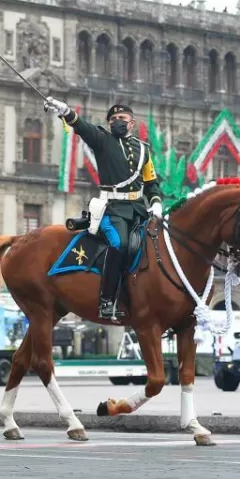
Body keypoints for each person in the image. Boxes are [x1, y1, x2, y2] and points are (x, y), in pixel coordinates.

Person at [44, 99, 163, 322]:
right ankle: (107, 300)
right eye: (114, 119)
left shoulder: (144, 150)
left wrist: (155, 201)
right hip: (113, 209)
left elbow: (151, 182)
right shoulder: (103, 140)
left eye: (122, 119)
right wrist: (66, 112)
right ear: (109, 124)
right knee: (120, 244)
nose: (118, 122)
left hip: (138, 210)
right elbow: (83, 127)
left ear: (132, 123)